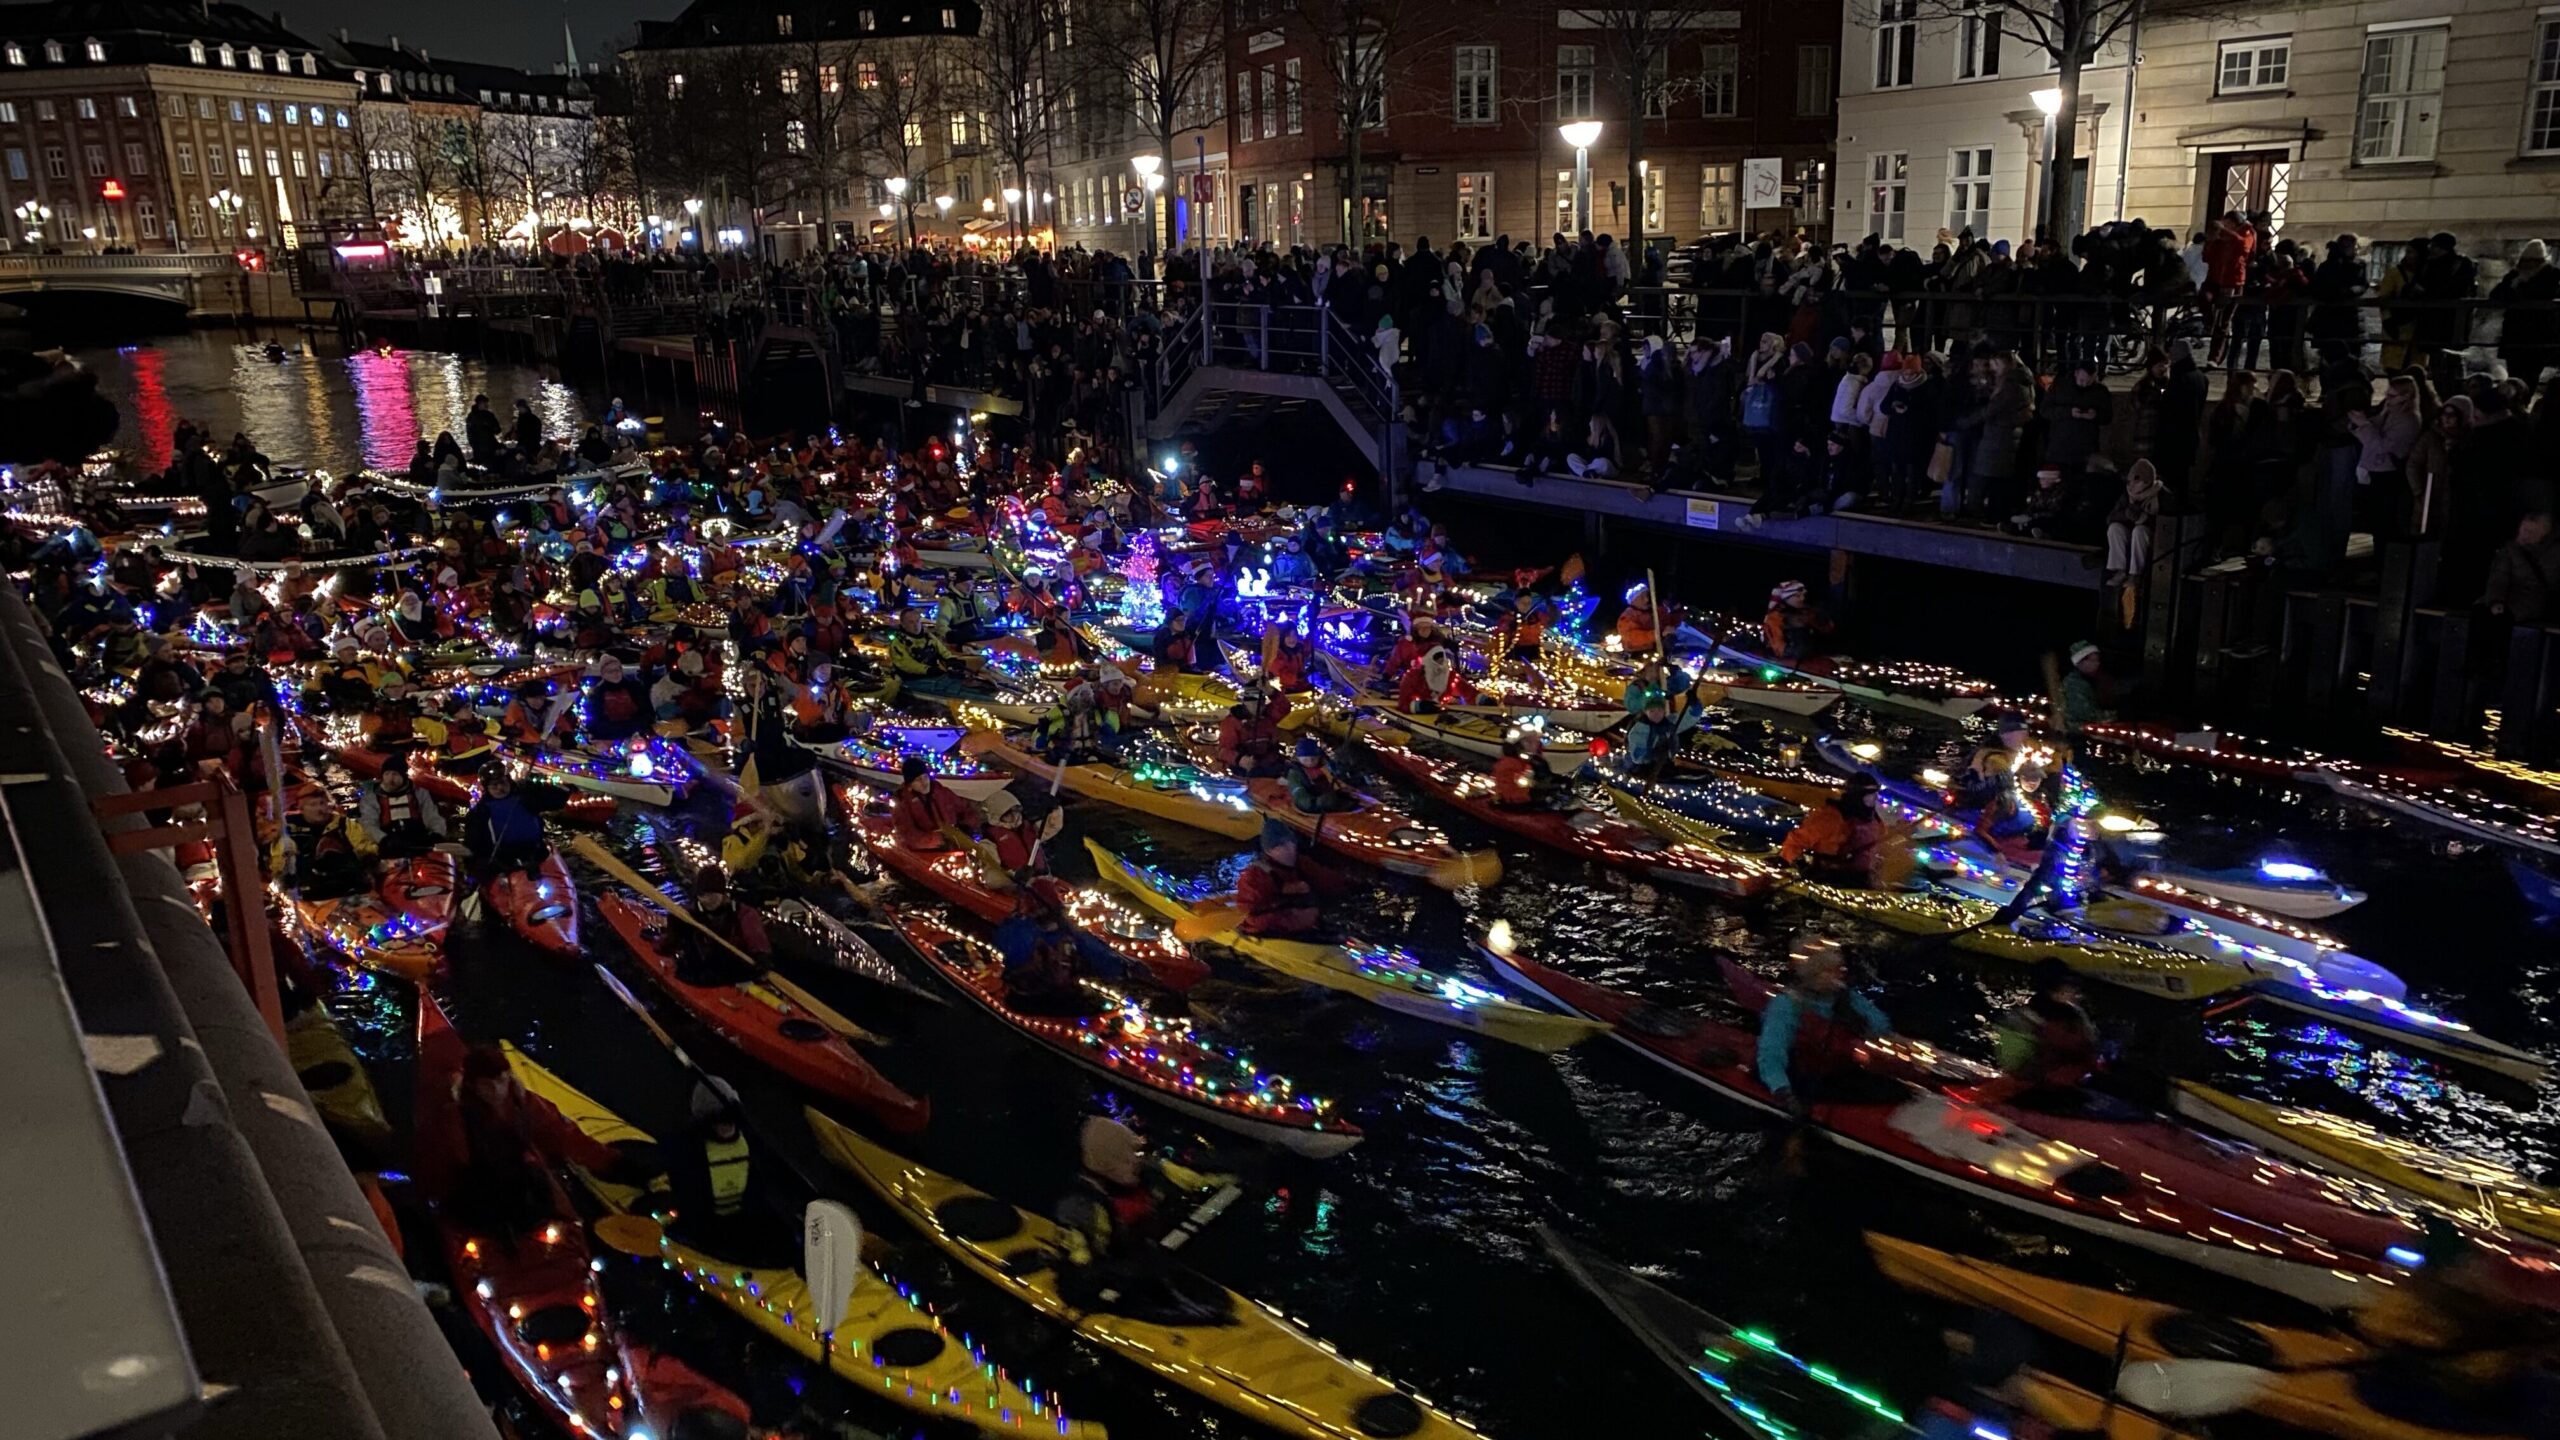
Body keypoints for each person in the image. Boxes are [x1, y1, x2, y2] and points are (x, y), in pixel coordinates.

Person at [1052, 1116, 1233, 1320]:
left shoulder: (1149, 1171)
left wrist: (1242, 1175)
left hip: (1155, 1267)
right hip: (1116, 1288)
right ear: (1106, 1163)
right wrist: (1123, 1271)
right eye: (1129, 1157)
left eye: (1138, 1153)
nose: (1139, 1159)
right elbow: (1077, 1275)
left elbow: (1199, 1181)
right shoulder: (1081, 1207)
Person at [1754, 939, 1893, 1117]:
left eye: (1839, 969)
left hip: (1834, 1071)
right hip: (1799, 1075)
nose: (1840, 975)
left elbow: (1881, 1025)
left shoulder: (1846, 998)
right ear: (1813, 974)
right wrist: (1783, 1092)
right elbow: (1772, 1052)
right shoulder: (1786, 1005)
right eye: (1830, 971)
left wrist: (1860, 1021)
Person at [665, 1078, 785, 1265]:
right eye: (718, 1120)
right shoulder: (691, 1152)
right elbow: (692, 1206)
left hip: (746, 1220)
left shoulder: (751, 1142)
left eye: (730, 1119)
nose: (726, 1125)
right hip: (710, 1228)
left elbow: (763, 1190)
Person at [1993, 959, 2102, 1100]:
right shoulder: (2021, 1021)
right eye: (2069, 986)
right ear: (2052, 990)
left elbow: (2092, 1047)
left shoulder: (2076, 1015)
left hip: (2075, 1089)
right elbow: (2016, 1070)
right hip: (2036, 1096)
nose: (2076, 992)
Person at [1233, 820, 1344, 937]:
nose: (1289, 849)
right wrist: (1294, 919)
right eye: (1281, 846)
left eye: (1291, 843)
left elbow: (1330, 881)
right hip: (1269, 928)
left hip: (1302, 915)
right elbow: (1250, 917)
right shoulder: (1254, 877)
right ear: (1268, 851)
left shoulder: (1301, 863)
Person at [1779, 773, 1888, 885]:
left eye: (1876, 794)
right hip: (1830, 881)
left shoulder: (1874, 821)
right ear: (1857, 795)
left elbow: (1882, 847)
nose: (1875, 798)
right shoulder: (1829, 818)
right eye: (1870, 794)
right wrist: (1803, 867)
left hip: (1862, 883)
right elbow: (1792, 844)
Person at [274, 789, 375, 898]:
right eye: (313, 805)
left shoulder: (343, 824)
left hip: (343, 885)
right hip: (304, 888)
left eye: (322, 803)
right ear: (301, 809)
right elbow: (277, 856)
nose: (320, 809)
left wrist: (372, 858)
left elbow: (365, 848)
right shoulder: (288, 826)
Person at [677, 871, 771, 986]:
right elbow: (673, 938)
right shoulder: (689, 914)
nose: (708, 900)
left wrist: (761, 955)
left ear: (723, 894)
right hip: (705, 969)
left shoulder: (744, 914)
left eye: (713, 895)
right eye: (703, 895)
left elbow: (755, 936)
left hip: (737, 969)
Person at [889, 753, 981, 852]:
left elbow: (966, 810)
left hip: (954, 841)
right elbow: (909, 836)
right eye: (917, 780)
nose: (923, 782)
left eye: (925, 777)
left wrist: (967, 826)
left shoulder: (942, 792)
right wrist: (939, 839)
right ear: (910, 785)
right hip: (930, 850)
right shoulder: (902, 803)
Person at [462, 770, 548, 875]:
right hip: (502, 858)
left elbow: (555, 800)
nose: (500, 788)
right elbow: (473, 844)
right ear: (487, 788)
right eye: (494, 785)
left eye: (503, 783)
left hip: (535, 853)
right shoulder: (480, 813)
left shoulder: (526, 799)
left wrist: (536, 788)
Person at [358, 764, 447, 858]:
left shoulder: (419, 794)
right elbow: (368, 824)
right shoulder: (371, 799)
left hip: (419, 844)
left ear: (403, 776)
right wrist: (384, 839)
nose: (390, 779)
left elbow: (433, 817)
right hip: (390, 846)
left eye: (395, 774)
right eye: (387, 774)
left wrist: (437, 834)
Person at [1215, 687, 1287, 777]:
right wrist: (1239, 759)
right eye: (1256, 704)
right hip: (1246, 769)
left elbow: (1284, 707)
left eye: (1262, 704)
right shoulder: (1232, 722)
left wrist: (1272, 693)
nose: (1261, 707)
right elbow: (1224, 751)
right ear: (1246, 704)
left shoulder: (1267, 716)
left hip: (1270, 764)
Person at [1284, 737, 1360, 815]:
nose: (1310, 762)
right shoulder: (1295, 774)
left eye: (1313, 759)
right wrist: (1317, 802)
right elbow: (1299, 795)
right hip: (1316, 809)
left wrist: (1343, 789)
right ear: (1298, 758)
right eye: (1305, 760)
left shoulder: (1326, 767)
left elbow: (1337, 779)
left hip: (1333, 800)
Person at [2057, 640, 2116, 736]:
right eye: (2092, 661)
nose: (2097, 664)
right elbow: (2085, 714)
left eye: (2097, 660)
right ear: (2080, 662)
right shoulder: (2074, 684)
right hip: (2077, 733)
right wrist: (2113, 715)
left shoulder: (2086, 681)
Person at [1761, 580, 1830, 661]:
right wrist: (1799, 628)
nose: (1802, 599)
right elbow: (1779, 648)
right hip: (1790, 660)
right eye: (1797, 596)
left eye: (1803, 595)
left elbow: (1827, 630)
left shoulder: (1806, 612)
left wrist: (1820, 619)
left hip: (1815, 658)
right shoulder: (1774, 618)